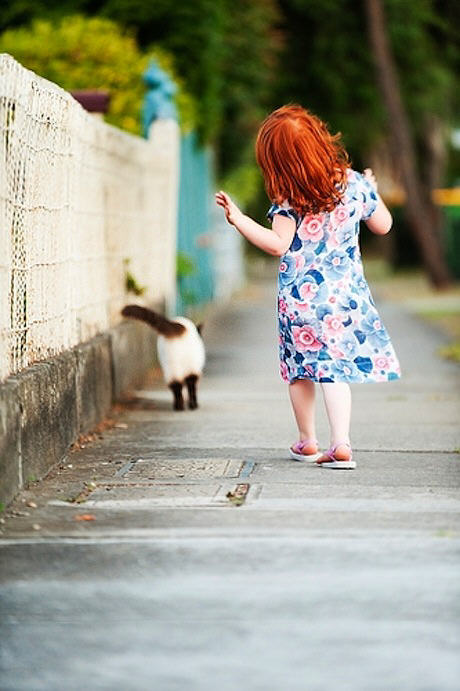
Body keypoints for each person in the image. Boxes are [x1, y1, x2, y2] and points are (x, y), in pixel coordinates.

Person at [215, 104, 401, 470]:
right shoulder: (354, 184)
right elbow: (384, 225)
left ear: (277, 162)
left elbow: (277, 244)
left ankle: (307, 440)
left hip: (300, 301)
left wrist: (238, 220)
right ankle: (342, 443)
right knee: (334, 369)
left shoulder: (288, 197)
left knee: (300, 370)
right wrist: (372, 193)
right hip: (345, 299)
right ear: (321, 141)